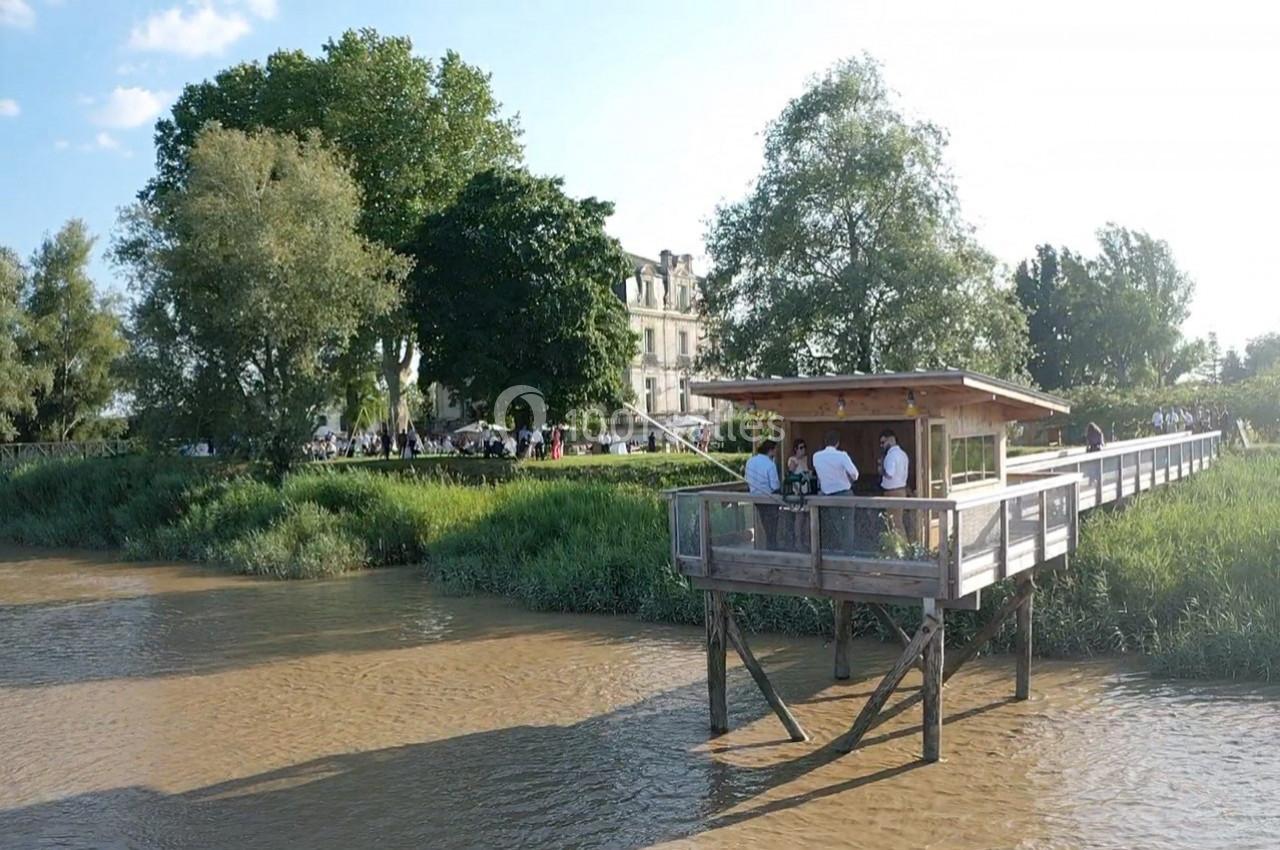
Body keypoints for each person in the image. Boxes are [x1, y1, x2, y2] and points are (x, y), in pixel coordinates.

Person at [812, 431, 858, 552]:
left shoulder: (816, 456)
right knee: (847, 524)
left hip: (828, 495)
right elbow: (854, 474)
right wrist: (849, 478)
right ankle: (848, 551)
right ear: (837, 443)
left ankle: (835, 550)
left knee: (834, 524)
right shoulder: (842, 455)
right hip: (845, 493)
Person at [745, 440, 781, 550]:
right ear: (771, 450)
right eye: (775, 450)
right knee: (772, 527)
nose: (776, 452)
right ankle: (772, 548)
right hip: (768, 497)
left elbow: (747, 478)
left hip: (755, 497)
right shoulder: (770, 465)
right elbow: (775, 485)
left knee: (765, 524)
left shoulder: (750, 461)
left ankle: (769, 547)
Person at [879, 429, 910, 535]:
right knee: (897, 521)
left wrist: (881, 470)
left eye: (883, 442)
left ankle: (901, 548)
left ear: (891, 440)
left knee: (895, 523)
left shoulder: (891, 455)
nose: (881, 445)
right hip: (901, 490)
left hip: (892, 492)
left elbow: (889, 474)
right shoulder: (903, 454)